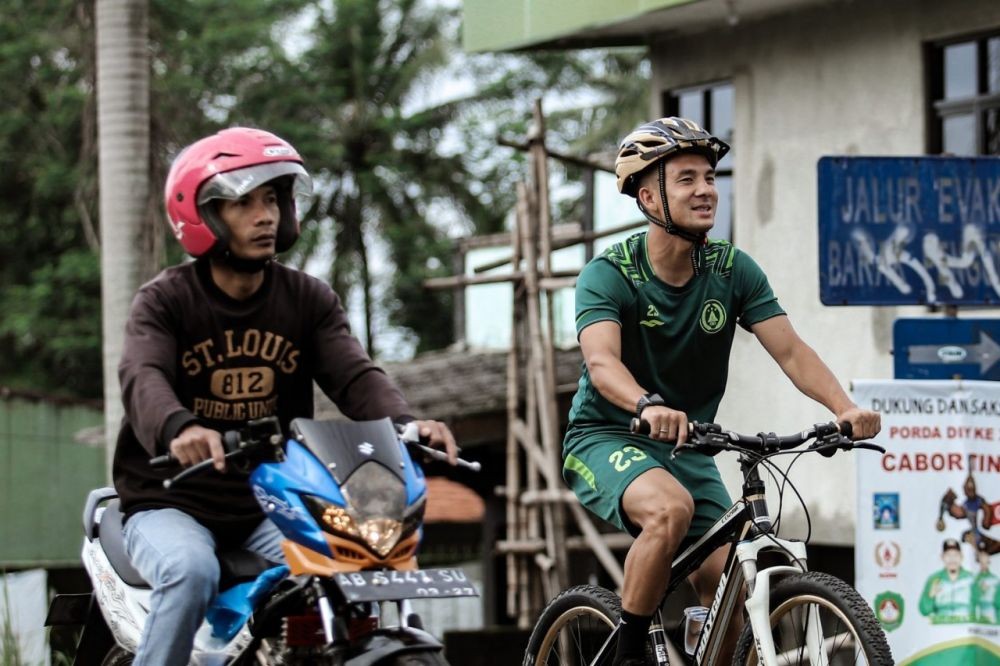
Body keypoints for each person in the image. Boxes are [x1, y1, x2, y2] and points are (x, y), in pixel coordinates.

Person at [113, 127, 458, 666]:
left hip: (267, 497)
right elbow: (143, 373)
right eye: (244, 202)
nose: (265, 214)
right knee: (190, 571)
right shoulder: (165, 301)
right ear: (201, 214)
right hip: (168, 499)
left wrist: (408, 423)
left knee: (350, 561)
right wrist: (180, 428)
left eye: (273, 198)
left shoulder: (307, 298)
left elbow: (355, 375)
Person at [561, 117, 881, 666]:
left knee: (731, 586)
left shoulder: (732, 270)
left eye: (710, 177)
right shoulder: (609, 273)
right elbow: (601, 361)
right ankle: (628, 655)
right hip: (607, 434)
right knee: (668, 511)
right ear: (648, 194)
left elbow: (792, 352)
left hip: (690, 445)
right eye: (686, 179)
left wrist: (844, 408)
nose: (706, 189)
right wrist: (646, 404)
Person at [919, 538, 974, 624]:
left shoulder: (971, 578)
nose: (952, 559)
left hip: (964, 627)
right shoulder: (934, 579)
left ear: (961, 557)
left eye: (956, 555)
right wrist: (930, 596)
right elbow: (924, 611)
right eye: (948, 555)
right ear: (942, 557)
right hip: (941, 630)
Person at [972, 545, 1000, 624]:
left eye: (985, 556)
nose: (983, 559)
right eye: (981, 556)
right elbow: (972, 601)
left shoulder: (995, 579)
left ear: (989, 558)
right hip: (979, 616)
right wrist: (981, 591)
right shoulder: (974, 579)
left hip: (994, 617)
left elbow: (998, 602)